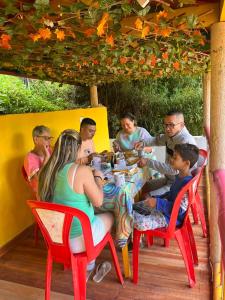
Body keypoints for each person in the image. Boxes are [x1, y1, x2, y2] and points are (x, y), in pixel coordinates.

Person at [38, 129, 114, 274]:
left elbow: (41, 200)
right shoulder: (81, 171)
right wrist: (97, 178)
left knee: (90, 216)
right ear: (77, 148)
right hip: (79, 241)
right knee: (110, 215)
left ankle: (85, 263)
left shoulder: (45, 171)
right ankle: (89, 265)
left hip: (56, 241)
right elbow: (98, 202)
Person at [133, 143, 199, 231]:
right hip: (164, 210)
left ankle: (127, 227)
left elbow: (179, 210)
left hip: (170, 218)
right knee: (134, 207)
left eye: (175, 158)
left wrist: (158, 203)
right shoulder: (179, 176)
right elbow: (171, 194)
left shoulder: (187, 184)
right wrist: (156, 198)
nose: (171, 159)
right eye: (172, 156)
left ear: (186, 163)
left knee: (136, 221)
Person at [136, 110, 198, 196]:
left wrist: (147, 162)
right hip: (168, 178)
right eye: (166, 125)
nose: (167, 128)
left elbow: (173, 170)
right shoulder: (171, 135)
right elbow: (157, 140)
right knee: (143, 187)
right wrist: (143, 143)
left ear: (182, 125)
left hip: (177, 185)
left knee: (146, 196)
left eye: (171, 125)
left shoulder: (185, 142)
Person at [23, 125, 52, 194]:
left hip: (54, 189)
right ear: (36, 139)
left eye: (50, 138)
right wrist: (46, 157)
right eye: (46, 138)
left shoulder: (50, 150)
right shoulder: (29, 158)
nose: (49, 141)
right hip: (43, 193)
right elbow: (39, 178)